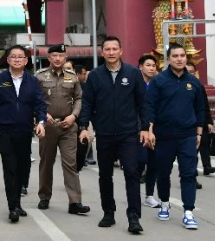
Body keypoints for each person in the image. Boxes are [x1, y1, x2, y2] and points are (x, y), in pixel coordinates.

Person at [79, 37, 147, 233]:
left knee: (132, 174)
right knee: (105, 175)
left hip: (128, 133)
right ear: (102, 52)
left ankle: (134, 216)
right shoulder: (95, 76)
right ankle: (108, 212)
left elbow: (143, 103)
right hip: (105, 133)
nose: (110, 52)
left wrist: (145, 127)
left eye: (114, 49)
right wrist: (84, 126)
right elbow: (87, 103)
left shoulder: (133, 74)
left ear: (121, 51)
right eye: (107, 49)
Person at [0, 45, 47, 223]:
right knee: (10, 167)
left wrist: (41, 122)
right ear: (8, 60)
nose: (17, 59)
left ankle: (18, 203)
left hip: (25, 130)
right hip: (5, 130)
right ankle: (12, 207)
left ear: (26, 61)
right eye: (14, 56)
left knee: (22, 167)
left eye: (21, 57)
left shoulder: (33, 81)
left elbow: (40, 105)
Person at [145, 44, 205, 230]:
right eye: (175, 56)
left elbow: (200, 108)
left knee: (188, 173)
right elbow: (150, 107)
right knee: (163, 173)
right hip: (164, 135)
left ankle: (188, 212)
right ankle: (164, 203)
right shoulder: (159, 81)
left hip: (187, 135)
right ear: (168, 59)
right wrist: (150, 130)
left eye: (182, 56)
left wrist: (199, 132)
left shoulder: (194, 82)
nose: (179, 59)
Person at [35, 44, 90, 215]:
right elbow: (34, 99)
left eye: (61, 55)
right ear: (49, 58)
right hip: (48, 126)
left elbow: (79, 98)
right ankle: (44, 196)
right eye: (54, 55)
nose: (57, 58)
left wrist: (74, 116)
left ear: (65, 58)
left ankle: (75, 202)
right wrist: (42, 116)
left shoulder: (73, 77)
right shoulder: (39, 77)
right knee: (46, 163)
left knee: (70, 164)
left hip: (68, 126)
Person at [137, 54, 160, 208]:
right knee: (140, 160)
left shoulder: (158, 85)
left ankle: (149, 195)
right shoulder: (135, 84)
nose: (151, 68)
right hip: (138, 129)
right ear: (141, 67)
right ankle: (133, 191)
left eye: (153, 65)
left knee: (153, 163)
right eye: (148, 65)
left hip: (156, 129)